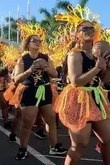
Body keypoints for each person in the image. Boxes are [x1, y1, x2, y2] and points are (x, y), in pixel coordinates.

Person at [54, 5, 110, 165]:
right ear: (77, 34)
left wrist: (109, 65)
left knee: (108, 139)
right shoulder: (75, 54)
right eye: (84, 28)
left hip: (96, 97)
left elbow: (106, 80)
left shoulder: (96, 55)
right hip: (78, 99)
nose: (89, 30)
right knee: (79, 144)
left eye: (91, 28)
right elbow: (75, 81)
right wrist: (96, 68)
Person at [12, 21, 67, 159]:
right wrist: (31, 70)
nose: (37, 42)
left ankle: (54, 146)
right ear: (28, 43)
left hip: (45, 90)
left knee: (51, 121)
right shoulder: (23, 59)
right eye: (34, 40)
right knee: (27, 123)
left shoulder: (46, 57)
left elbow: (55, 74)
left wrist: (46, 68)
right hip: (29, 91)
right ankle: (23, 148)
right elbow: (17, 79)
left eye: (39, 40)